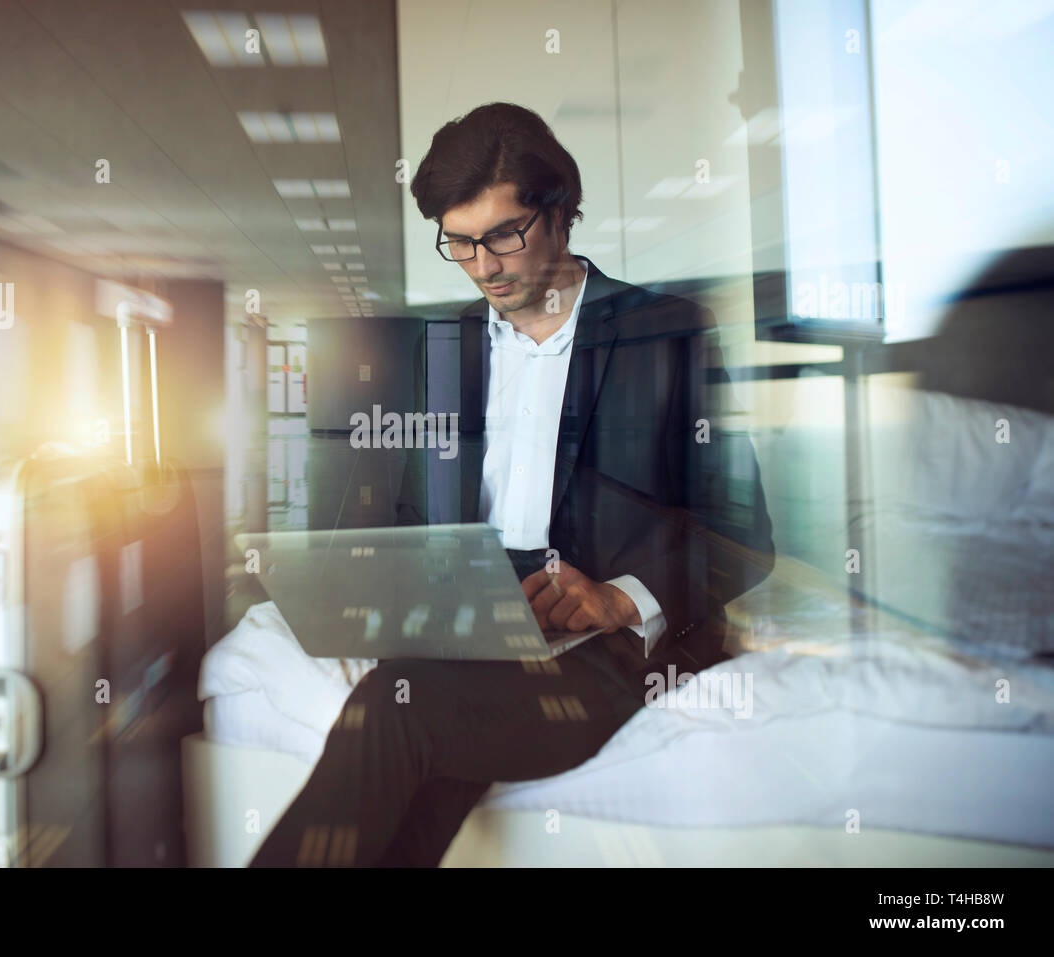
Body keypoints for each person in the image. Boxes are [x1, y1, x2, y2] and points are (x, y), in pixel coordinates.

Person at [250, 102, 774, 867]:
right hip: (481, 619)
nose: (483, 264)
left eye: (502, 235)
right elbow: (408, 513)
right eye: (458, 243)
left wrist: (618, 596)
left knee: (395, 716)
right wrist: (389, 587)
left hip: (616, 645)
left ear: (559, 212)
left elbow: (744, 535)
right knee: (411, 753)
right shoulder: (441, 348)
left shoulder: (667, 330)